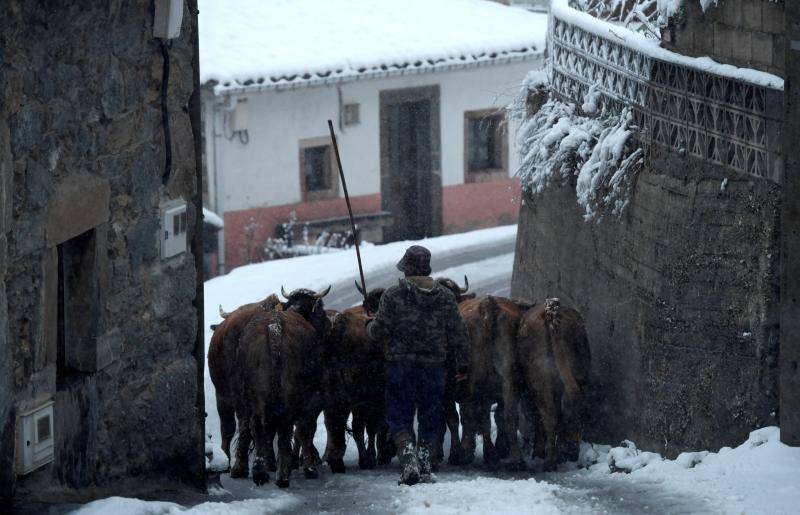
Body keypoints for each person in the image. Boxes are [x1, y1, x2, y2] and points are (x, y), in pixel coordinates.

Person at [366, 245, 470, 485]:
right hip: (434, 367)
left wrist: (368, 326)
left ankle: (408, 461)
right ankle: (424, 463)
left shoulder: (392, 295)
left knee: (399, 415)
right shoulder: (445, 296)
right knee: (430, 415)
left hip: (399, 366)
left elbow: (378, 332)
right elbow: (459, 333)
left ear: (406, 269)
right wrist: (463, 364)